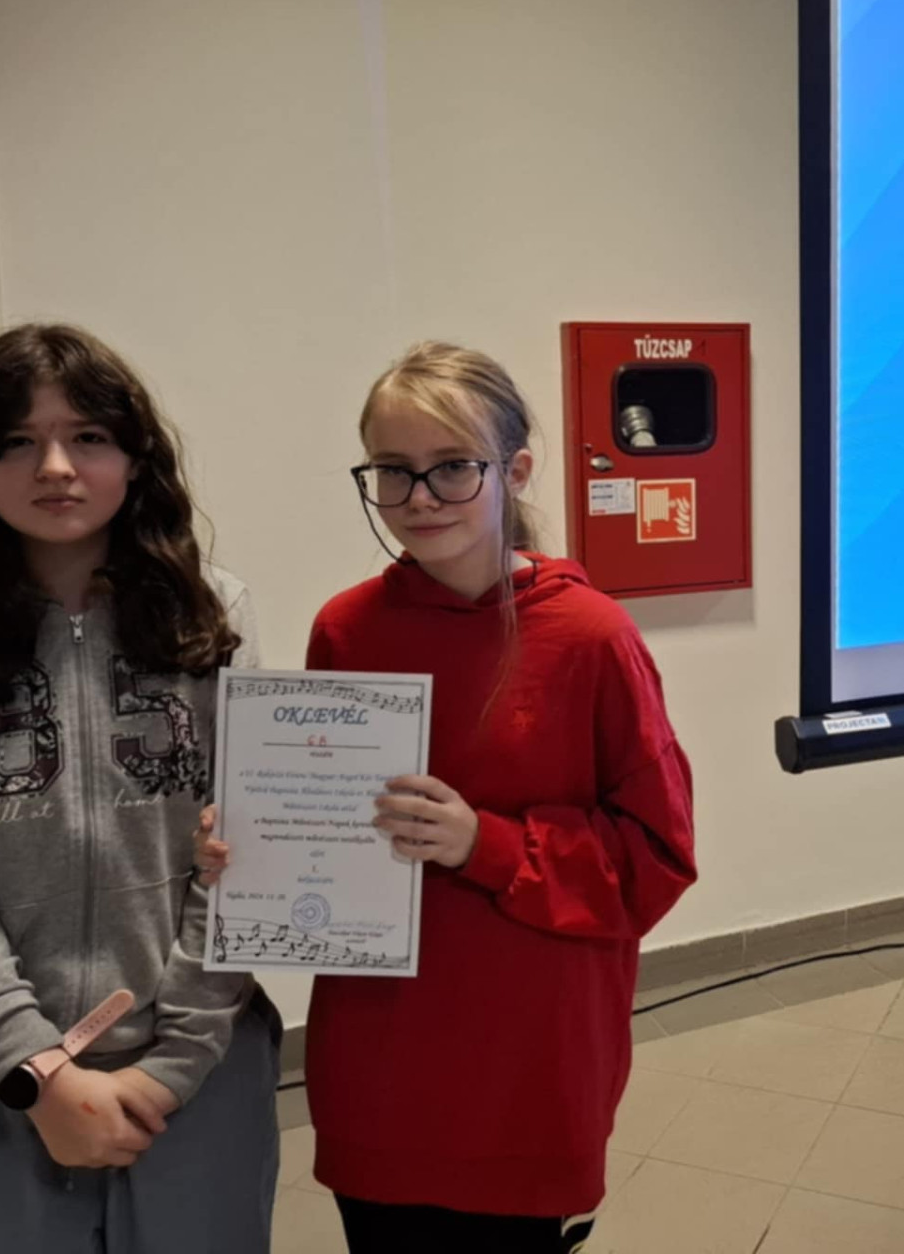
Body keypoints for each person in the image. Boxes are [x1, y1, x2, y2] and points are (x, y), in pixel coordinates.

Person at [199, 341, 696, 1252]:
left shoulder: (592, 638)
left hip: (527, 1062)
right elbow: (327, 818)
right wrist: (250, 842)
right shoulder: (347, 629)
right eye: (393, 470)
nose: (420, 497)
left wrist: (485, 844)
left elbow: (655, 860)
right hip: (379, 1055)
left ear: (516, 471)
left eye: (453, 467)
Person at [0, 324, 278, 1254]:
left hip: (195, 1078)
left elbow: (248, 852)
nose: (54, 467)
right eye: (15, 441)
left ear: (134, 455)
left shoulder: (216, 615)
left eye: (88, 436)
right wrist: (32, 1069)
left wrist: (173, 1065)